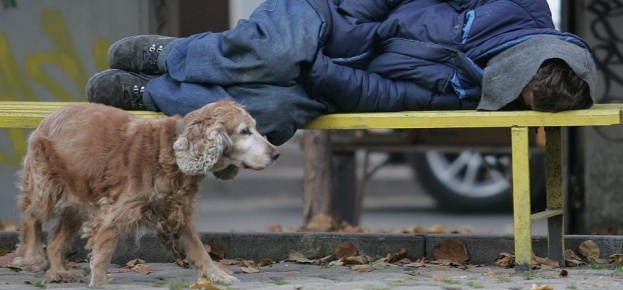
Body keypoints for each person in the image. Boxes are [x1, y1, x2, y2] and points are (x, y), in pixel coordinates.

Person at [86, 0, 596, 146]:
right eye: (514, 86)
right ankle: (168, 56)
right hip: (329, 14)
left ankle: (151, 92)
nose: (501, 93)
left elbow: (387, 95)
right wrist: (346, 27)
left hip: (327, 81)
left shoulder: (475, 93)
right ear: (531, 54)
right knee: (275, 53)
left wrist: (324, 74)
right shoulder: (513, 7)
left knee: (270, 113)